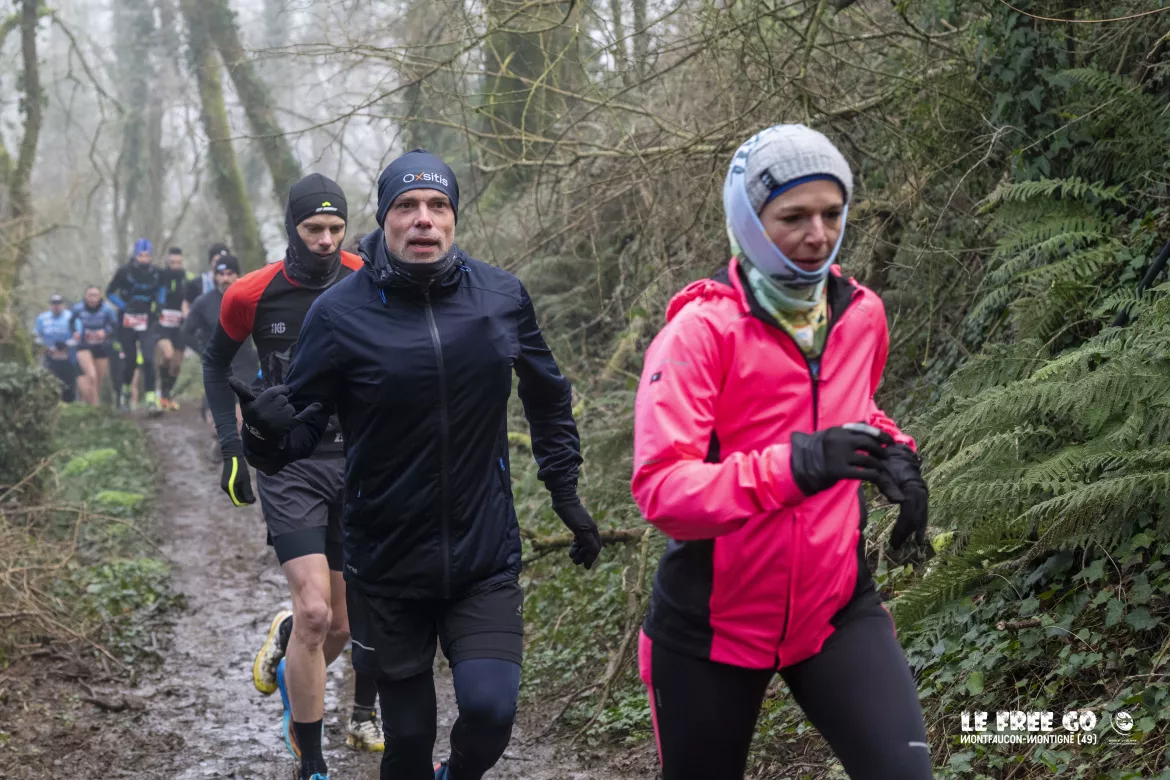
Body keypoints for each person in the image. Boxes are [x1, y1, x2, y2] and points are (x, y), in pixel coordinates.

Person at [230, 149, 603, 780]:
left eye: (437, 205)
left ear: (454, 218)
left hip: (483, 556)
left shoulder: (500, 296)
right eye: (406, 206)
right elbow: (303, 430)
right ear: (385, 218)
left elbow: (547, 393)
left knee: (490, 711)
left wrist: (563, 491)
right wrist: (264, 437)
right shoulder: (339, 313)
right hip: (386, 565)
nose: (423, 218)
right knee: (407, 741)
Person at [630, 125, 933, 780]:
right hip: (712, 627)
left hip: (835, 609)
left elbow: (855, 407)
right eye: (793, 217)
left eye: (832, 213)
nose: (818, 234)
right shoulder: (699, 334)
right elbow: (662, 489)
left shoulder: (862, 314)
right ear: (749, 221)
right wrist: (794, 467)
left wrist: (895, 453)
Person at [202, 175, 383, 779]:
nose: (327, 240)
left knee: (343, 622)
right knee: (313, 614)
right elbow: (215, 363)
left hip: (357, 462)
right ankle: (312, 761)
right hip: (289, 465)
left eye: (336, 228)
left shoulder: (368, 278)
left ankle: (288, 660)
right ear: (292, 228)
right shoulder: (250, 293)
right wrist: (232, 448)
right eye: (314, 229)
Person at [183, 254, 258, 427]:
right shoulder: (203, 303)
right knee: (216, 427)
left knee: (241, 423)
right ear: (215, 276)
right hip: (218, 368)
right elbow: (186, 332)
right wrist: (205, 352)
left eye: (230, 274)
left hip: (245, 367)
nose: (225, 279)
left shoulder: (249, 300)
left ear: (238, 275)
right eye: (221, 274)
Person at [107, 238, 161, 410]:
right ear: (135, 255)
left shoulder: (156, 272)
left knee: (148, 358)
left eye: (147, 256)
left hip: (147, 320)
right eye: (140, 255)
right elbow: (109, 292)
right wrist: (123, 305)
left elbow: (161, 290)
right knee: (130, 360)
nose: (144, 259)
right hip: (127, 320)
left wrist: (159, 305)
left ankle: (151, 398)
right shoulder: (124, 271)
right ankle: (125, 391)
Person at [153, 246, 194, 411]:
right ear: (167, 262)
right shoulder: (160, 277)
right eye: (172, 262)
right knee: (168, 355)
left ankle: (167, 395)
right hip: (163, 324)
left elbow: (195, 296)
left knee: (177, 364)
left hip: (180, 325)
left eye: (178, 262)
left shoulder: (187, 278)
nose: (175, 266)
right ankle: (161, 392)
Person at [70, 287, 118, 406]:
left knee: (97, 381)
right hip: (84, 345)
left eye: (95, 295)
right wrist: (75, 332)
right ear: (85, 297)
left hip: (102, 347)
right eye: (90, 295)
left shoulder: (108, 310)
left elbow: (115, 327)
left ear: (100, 297)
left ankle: (90, 405)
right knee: (91, 375)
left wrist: (105, 332)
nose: (92, 298)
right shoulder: (78, 308)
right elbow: (71, 322)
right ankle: (93, 405)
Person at [34, 293, 77, 402]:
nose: (56, 306)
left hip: (68, 358)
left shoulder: (71, 317)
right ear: (50, 305)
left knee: (68, 385)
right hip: (50, 356)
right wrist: (45, 346)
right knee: (50, 382)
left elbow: (79, 337)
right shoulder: (42, 318)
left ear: (63, 305)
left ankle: (69, 403)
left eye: (59, 303)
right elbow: (36, 336)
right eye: (54, 303)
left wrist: (67, 344)